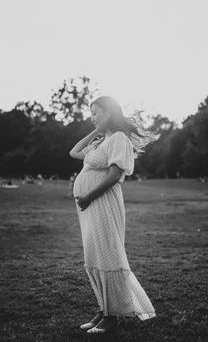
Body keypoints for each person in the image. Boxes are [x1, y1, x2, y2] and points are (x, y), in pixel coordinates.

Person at [69, 95, 159, 335]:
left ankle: (112, 316)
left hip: (102, 203)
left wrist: (88, 196)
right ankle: (103, 308)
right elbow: (74, 152)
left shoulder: (118, 138)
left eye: (96, 113)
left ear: (109, 113)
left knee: (108, 255)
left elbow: (113, 175)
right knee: (94, 255)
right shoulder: (101, 142)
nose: (92, 118)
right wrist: (95, 132)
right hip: (89, 208)